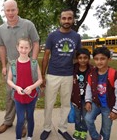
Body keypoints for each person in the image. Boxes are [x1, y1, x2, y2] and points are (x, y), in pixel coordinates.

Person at [0, 0, 40, 137]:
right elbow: (1, 47)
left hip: (28, 65)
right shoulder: (1, 29)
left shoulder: (28, 25)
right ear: (4, 11)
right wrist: (4, 66)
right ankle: (8, 121)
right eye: (7, 10)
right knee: (11, 94)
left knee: (27, 92)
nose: (10, 13)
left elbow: (36, 42)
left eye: (13, 9)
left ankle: (24, 125)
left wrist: (33, 61)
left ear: (17, 10)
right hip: (12, 66)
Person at [40, 8, 81, 140]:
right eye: (64, 18)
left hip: (68, 75)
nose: (66, 21)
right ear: (60, 19)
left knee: (66, 104)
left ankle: (62, 128)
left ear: (73, 19)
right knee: (49, 103)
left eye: (69, 18)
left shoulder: (76, 36)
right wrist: (42, 76)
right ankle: (47, 127)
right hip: (53, 74)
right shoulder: (52, 36)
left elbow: (78, 57)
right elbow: (46, 56)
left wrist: (77, 73)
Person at [7, 38, 42, 140]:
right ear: (17, 48)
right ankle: (18, 138)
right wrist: (16, 87)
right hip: (19, 96)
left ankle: (29, 136)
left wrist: (31, 87)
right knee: (20, 120)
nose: (23, 50)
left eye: (26, 48)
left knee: (30, 117)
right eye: (21, 47)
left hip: (32, 96)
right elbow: (9, 80)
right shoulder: (13, 64)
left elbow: (40, 80)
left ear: (30, 48)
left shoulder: (34, 63)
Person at [85, 47, 117, 140]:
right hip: (96, 103)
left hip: (108, 106)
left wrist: (115, 110)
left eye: (102, 59)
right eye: (96, 59)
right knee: (88, 119)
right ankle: (97, 137)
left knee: (106, 129)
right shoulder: (92, 73)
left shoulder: (114, 74)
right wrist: (88, 101)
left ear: (109, 59)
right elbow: (89, 87)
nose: (99, 62)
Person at [71, 48, 93, 140]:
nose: (83, 60)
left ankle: (84, 131)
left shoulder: (92, 69)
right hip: (76, 97)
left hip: (87, 99)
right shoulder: (73, 68)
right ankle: (77, 130)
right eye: (80, 58)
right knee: (77, 116)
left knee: (85, 116)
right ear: (77, 59)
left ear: (89, 58)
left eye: (85, 58)